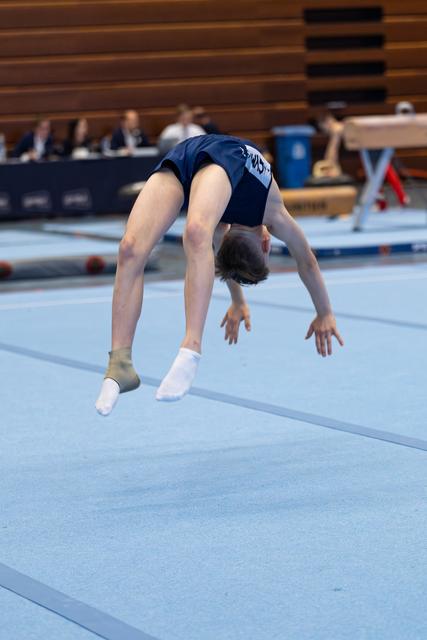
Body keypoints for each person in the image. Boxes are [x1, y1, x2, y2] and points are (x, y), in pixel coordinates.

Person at [95, 134, 344, 416]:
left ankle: (123, 361)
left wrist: (238, 302)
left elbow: (302, 260)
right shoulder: (273, 213)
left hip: (188, 158)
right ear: (265, 240)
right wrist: (324, 312)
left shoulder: (230, 227)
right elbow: (306, 262)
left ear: (266, 246)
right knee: (192, 233)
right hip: (227, 156)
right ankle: (179, 350)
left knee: (131, 249)